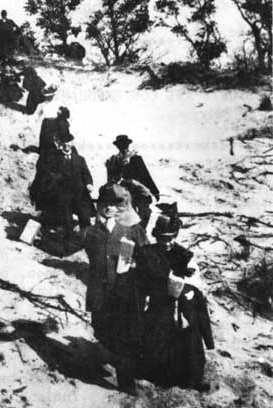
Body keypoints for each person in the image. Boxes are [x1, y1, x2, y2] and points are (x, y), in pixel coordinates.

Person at [136, 214, 214, 391]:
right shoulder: (147, 253)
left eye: (172, 238)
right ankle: (157, 377)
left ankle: (192, 379)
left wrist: (185, 282)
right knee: (158, 339)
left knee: (190, 336)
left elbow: (192, 277)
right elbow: (142, 280)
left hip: (181, 304)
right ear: (157, 237)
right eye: (164, 239)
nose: (169, 243)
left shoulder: (181, 252)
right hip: (159, 303)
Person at [84, 184, 149, 394]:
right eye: (106, 204)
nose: (110, 208)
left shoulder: (134, 229)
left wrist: (137, 267)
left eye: (116, 204)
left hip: (124, 295)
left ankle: (126, 382)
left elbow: (147, 256)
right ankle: (107, 356)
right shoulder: (92, 232)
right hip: (100, 293)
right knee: (103, 331)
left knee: (123, 339)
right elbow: (68, 246)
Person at [106, 135, 160, 228]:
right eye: (121, 145)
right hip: (124, 192)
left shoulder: (136, 158)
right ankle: (132, 233)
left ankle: (141, 231)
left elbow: (145, 175)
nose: (123, 147)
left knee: (145, 212)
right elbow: (111, 177)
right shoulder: (114, 160)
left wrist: (155, 191)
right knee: (129, 216)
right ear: (117, 146)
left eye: (125, 145)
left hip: (139, 191)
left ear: (128, 145)